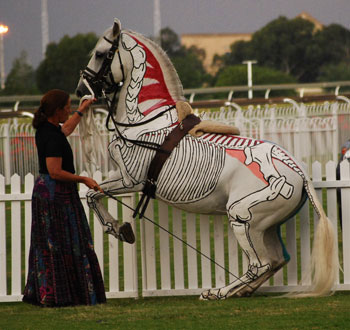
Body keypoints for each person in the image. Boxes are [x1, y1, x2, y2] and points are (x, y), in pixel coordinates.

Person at [23, 89, 106, 307]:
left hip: (54, 192)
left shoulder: (48, 128)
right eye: (67, 107)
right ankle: (59, 295)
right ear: (57, 110)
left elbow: (66, 129)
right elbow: (55, 171)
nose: (69, 111)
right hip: (54, 194)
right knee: (59, 244)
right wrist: (84, 179)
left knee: (65, 242)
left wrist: (81, 109)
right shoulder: (50, 135)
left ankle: (65, 294)